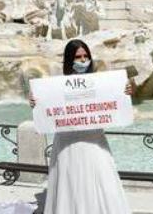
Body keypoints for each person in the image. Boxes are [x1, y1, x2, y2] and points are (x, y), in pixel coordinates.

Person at [31, 39, 131, 214]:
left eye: (86, 56)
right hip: (67, 143)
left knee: (103, 183)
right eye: (78, 57)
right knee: (70, 186)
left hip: (94, 141)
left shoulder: (101, 82)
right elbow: (47, 108)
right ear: (70, 59)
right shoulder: (56, 86)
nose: (83, 60)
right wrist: (36, 102)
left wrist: (126, 92)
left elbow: (115, 101)